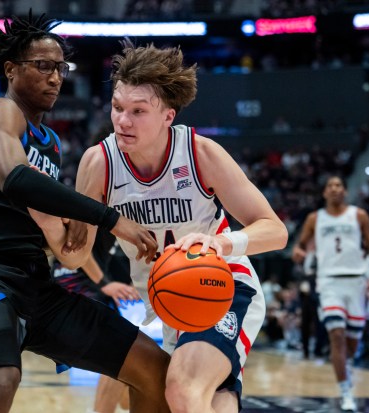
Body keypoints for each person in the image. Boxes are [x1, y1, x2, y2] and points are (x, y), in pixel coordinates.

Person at [0, 12, 168, 413]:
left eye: (60, 68)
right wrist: (111, 219)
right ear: (11, 70)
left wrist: (73, 236)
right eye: (43, 66)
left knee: (153, 367)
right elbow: (16, 180)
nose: (55, 76)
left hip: (39, 284)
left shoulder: (51, 141)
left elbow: (54, 227)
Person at [75, 42, 288, 413]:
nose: (123, 120)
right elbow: (75, 252)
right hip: (166, 305)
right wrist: (47, 213)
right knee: (168, 397)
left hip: (221, 288)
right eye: (117, 107)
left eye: (138, 111)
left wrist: (221, 243)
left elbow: (275, 229)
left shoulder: (199, 153)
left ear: (167, 116)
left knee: (183, 389)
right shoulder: (100, 164)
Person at [292, 176, 369, 412]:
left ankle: (345, 365)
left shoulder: (359, 216)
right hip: (328, 283)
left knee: (352, 340)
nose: (335, 189)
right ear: (324, 192)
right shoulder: (314, 219)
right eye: (330, 186)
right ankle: (345, 391)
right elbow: (301, 245)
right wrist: (298, 251)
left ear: (345, 191)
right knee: (336, 334)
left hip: (356, 282)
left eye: (339, 185)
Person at [52, 228, 139, 413]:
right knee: (121, 353)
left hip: (84, 282)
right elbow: (79, 247)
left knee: (133, 375)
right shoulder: (99, 205)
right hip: (74, 282)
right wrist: (105, 284)